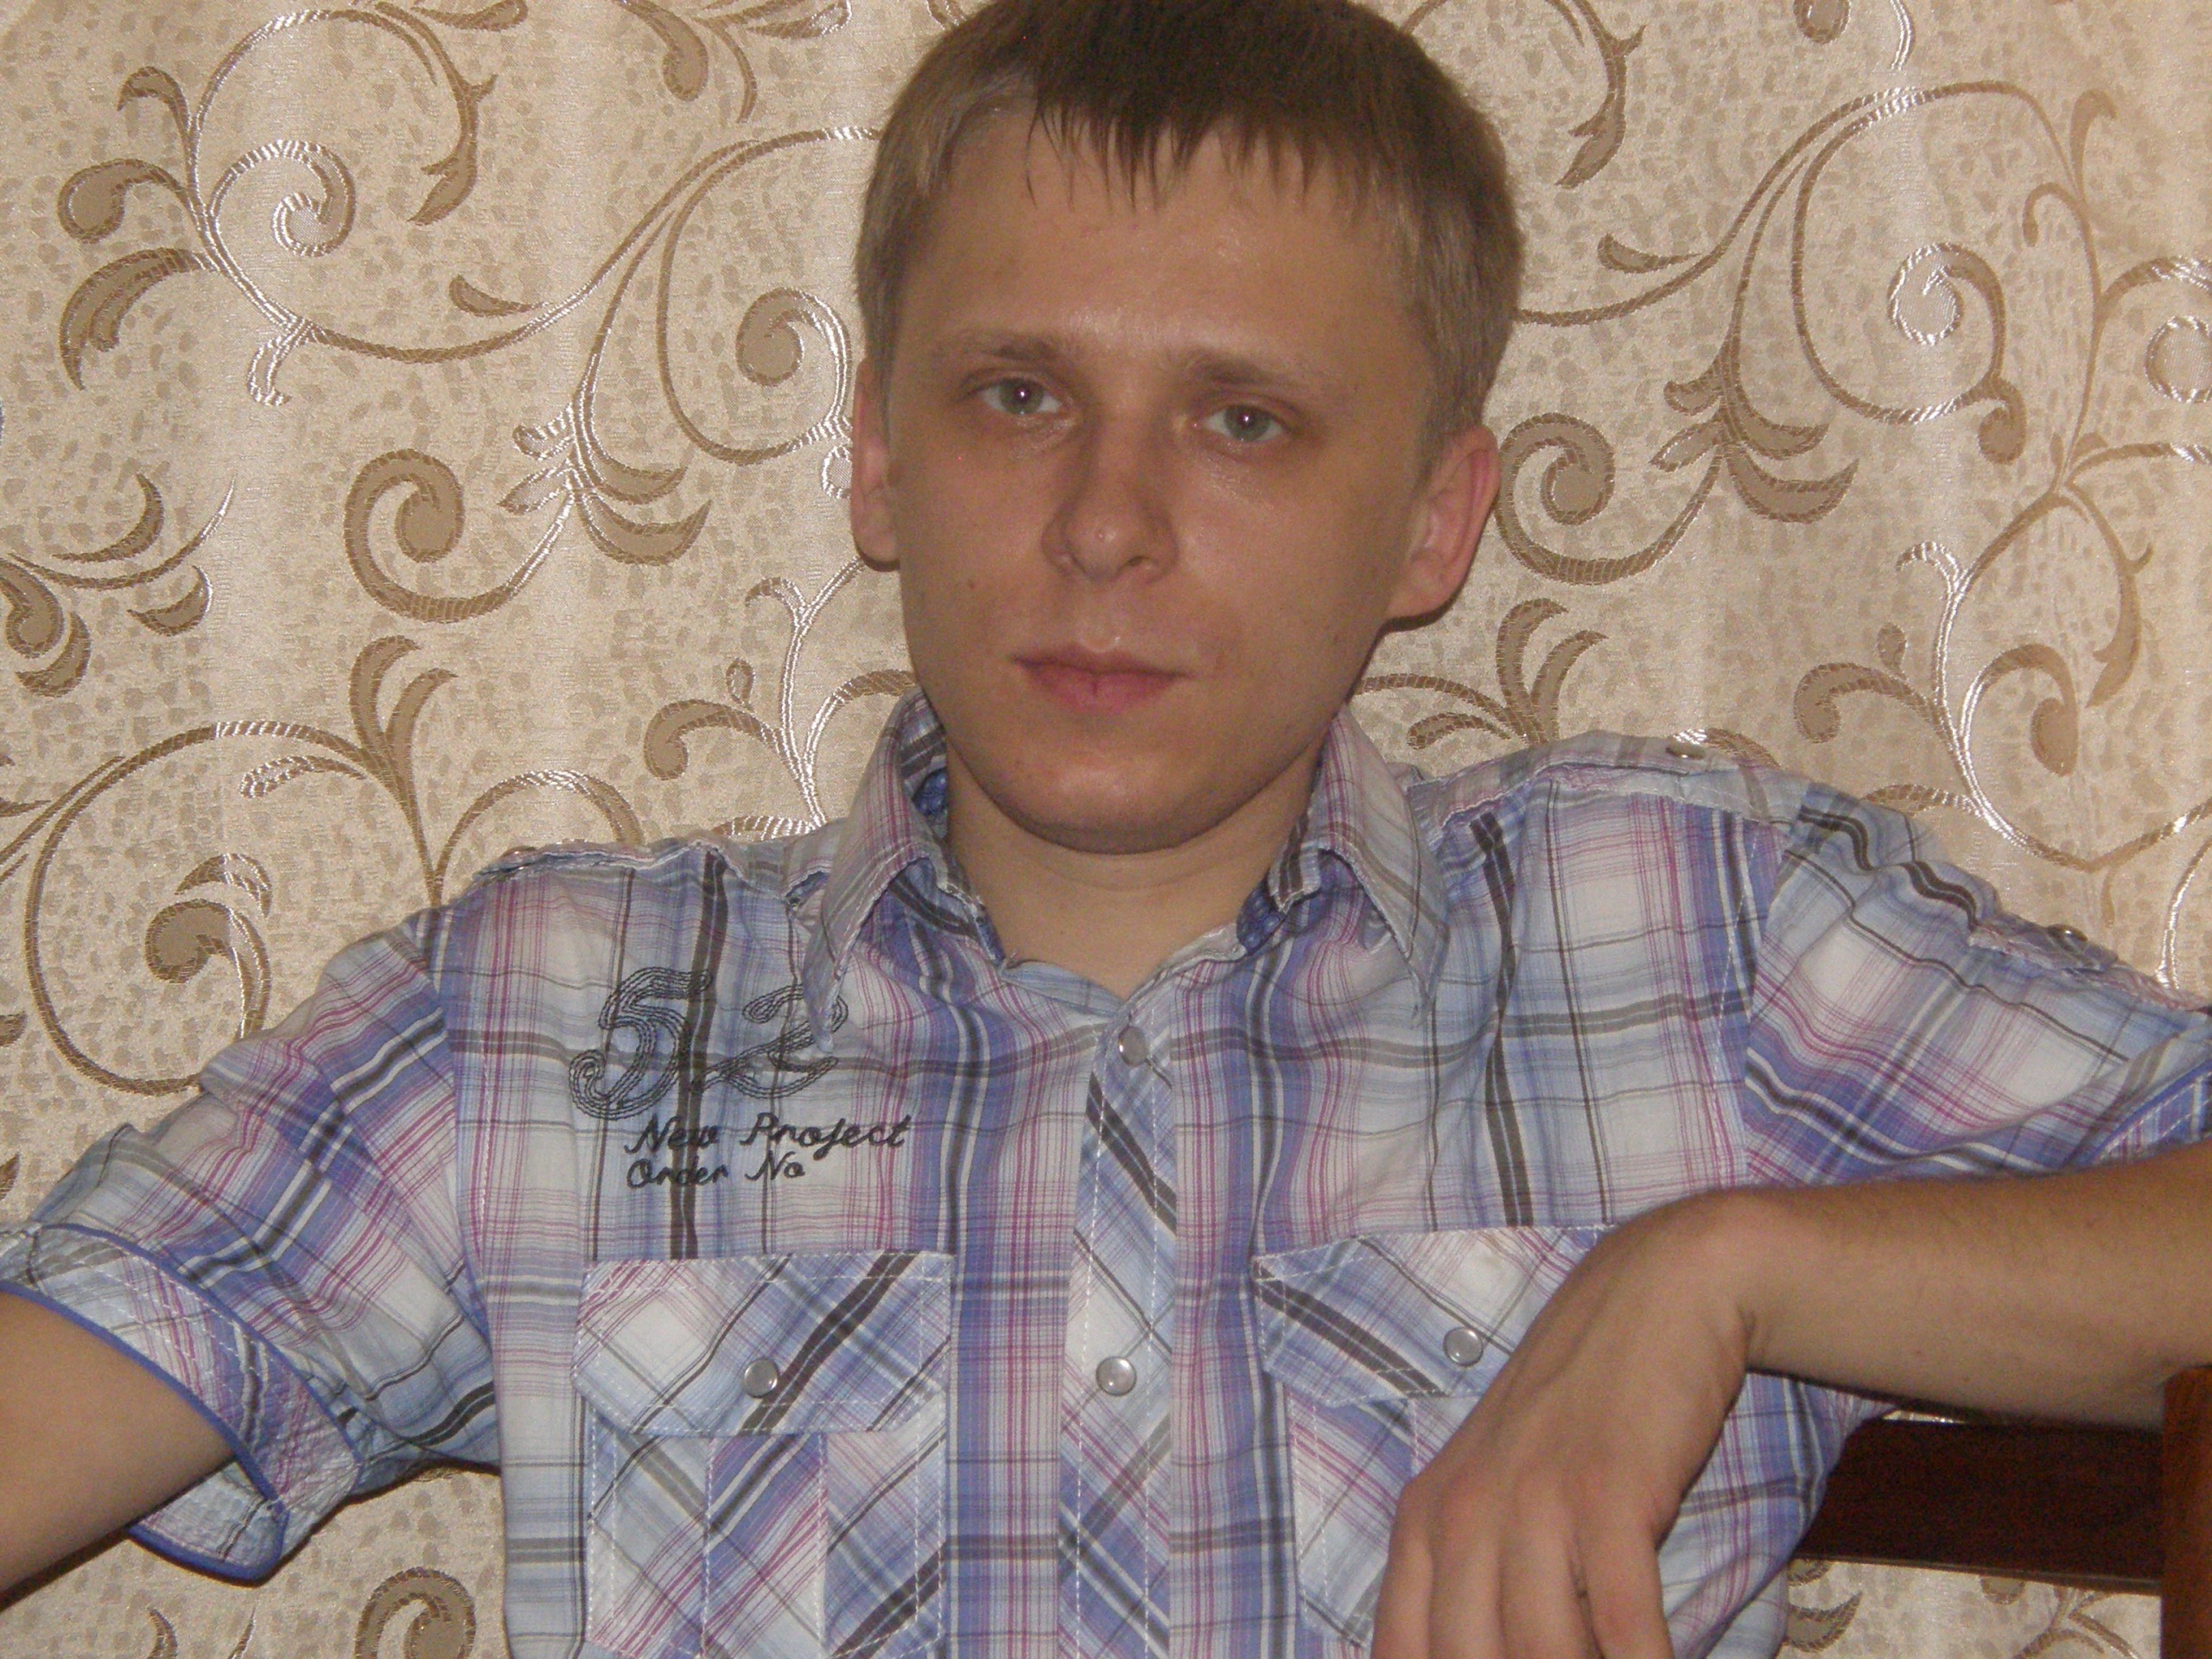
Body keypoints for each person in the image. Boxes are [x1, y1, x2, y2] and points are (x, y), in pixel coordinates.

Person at [3, 0, 2209, 1655]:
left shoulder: (1695, 928)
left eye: (1241, 421)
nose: (1103, 523)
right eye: (1018, 394)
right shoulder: (545, 1023)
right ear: (877, 457)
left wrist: (1723, 1271)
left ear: (1434, 518)